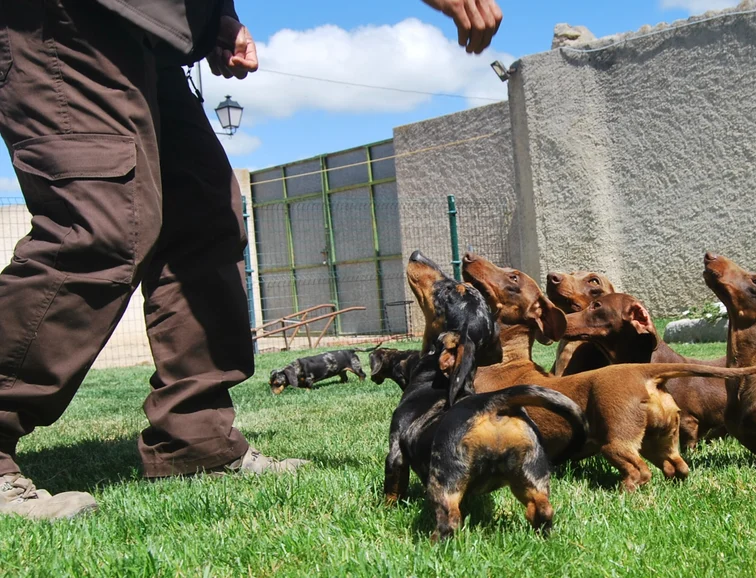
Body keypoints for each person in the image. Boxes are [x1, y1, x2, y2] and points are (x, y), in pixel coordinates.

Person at [0, 0, 502, 520]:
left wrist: (215, 17)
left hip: (152, 34)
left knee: (206, 220)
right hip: (66, 17)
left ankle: (195, 439)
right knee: (103, 227)